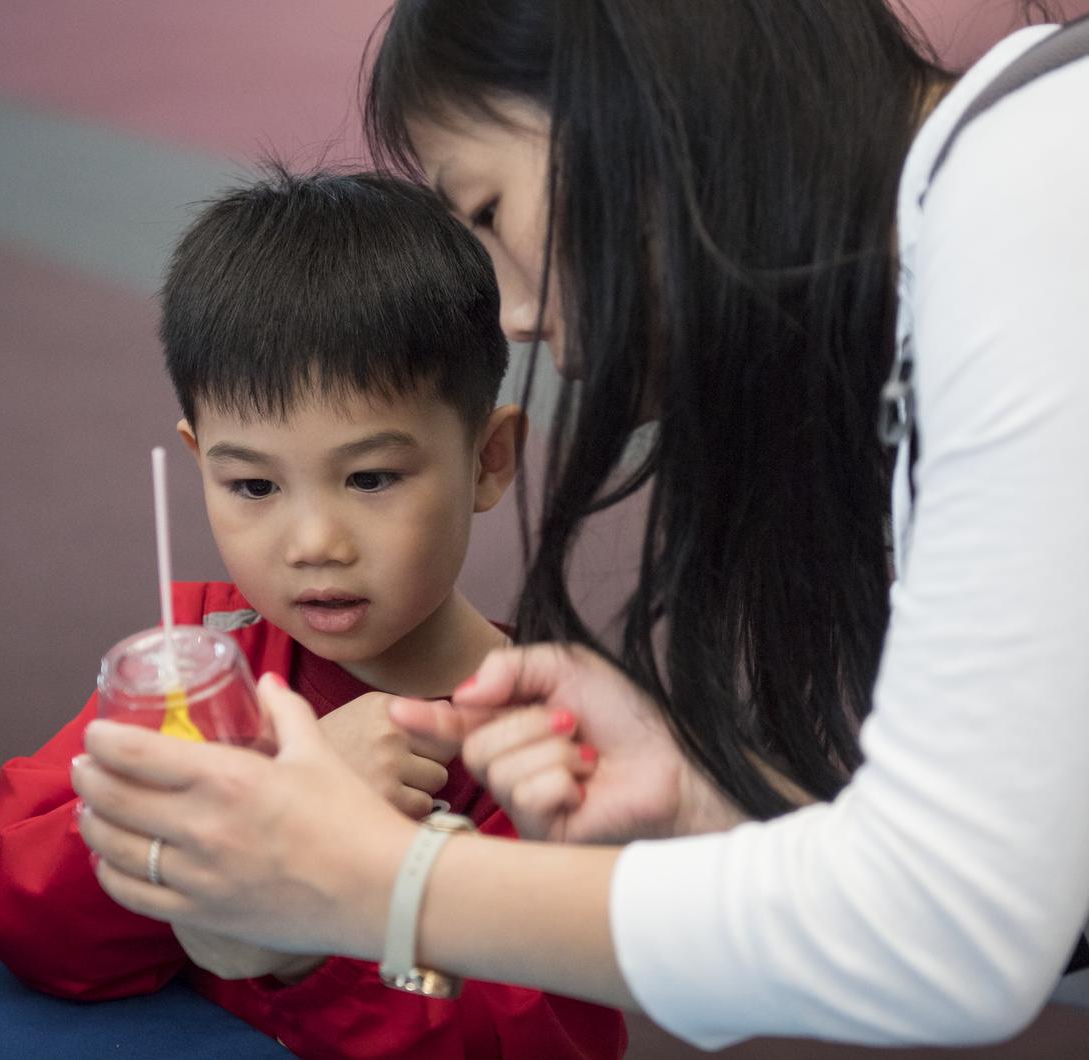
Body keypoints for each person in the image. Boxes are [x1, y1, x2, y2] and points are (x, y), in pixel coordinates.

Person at [71, 1, 1089, 1050]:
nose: (514, 313)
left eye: (489, 209)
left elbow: (950, 934)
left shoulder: (1027, 209)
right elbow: (1029, 863)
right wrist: (717, 803)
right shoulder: (1001, 198)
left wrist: (378, 883)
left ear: (643, 107)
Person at [0, 168, 628, 1060]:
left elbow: (546, 1044)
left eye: (370, 477)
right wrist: (228, 813)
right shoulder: (199, 671)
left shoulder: (544, 744)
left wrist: (300, 928)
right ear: (198, 461)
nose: (313, 540)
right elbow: (27, 922)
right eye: (252, 485)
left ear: (488, 459)